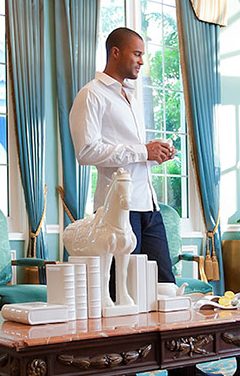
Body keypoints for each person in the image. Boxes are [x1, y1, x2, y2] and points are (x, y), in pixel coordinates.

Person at [69, 27, 177, 286]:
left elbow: (131, 151)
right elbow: (85, 151)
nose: (142, 61)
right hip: (118, 209)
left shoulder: (131, 97)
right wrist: (142, 150)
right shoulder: (91, 94)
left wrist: (155, 153)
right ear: (115, 52)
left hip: (149, 205)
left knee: (165, 287)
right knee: (124, 291)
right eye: (137, 54)